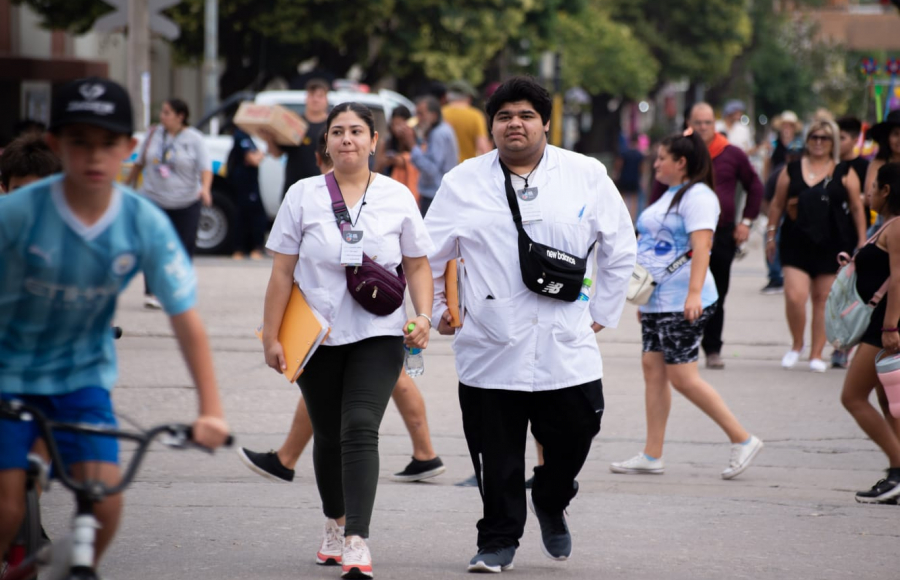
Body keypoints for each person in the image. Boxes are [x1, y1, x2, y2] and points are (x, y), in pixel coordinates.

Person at [0, 77, 230, 570]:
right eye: (79, 142)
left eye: (108, 144)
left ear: (129, 148)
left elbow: (186, 319)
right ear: (56, 145)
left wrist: (211, 410)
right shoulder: (16, 214)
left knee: (106, 506)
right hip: (8, 378)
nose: (93, 157)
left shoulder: (142, 221)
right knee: (6, 508)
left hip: (82, 382)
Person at [425, 76, 636, 573]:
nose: (513, 124)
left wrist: (601, 314)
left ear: (545, 123)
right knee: (495, 454)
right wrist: (439, 310)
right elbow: (427, 256)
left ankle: (551, 496)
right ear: (492, 127)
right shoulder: (463, 183)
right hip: (490, 344)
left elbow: (620, 247)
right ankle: (497, 540)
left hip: (568, 342)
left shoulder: (585, 174)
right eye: (503, 117)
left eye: (524, 116)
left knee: (580, 430)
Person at [262, 102, 434, 579]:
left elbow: (418, 264)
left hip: (379, 332)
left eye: (356, 131)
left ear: (374, 141)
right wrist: (271, 337)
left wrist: (422, 316)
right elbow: (281, 272)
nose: (347, 140)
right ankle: (334, 525)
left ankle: (357, 538)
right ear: (326, 143)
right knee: (328, 432)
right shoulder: (303, 196)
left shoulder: (397, 196)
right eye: (337, 132)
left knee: (359, 425)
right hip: (315, 335)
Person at [610, 131, 764, 480]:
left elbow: (702, 246)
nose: (657, 162)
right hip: (658, 301)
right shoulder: (670, 194)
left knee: (682, 377)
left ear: (682, 163)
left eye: (663, 157)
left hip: (683, 301)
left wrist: (693, 294)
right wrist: (646, 299)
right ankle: (652, 454)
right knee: (653, 369)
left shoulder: (698, 196)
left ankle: (743, 438)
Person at [651, 103, 764, 370]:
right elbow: (658, 185)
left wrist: (746, 222)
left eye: (707, 123)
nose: (703, 128)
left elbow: (755, 185)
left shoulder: (731, 153)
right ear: (688, 123)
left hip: (720, 234)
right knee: (674, 289)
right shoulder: (679, 154)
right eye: (697, 123)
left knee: (716, 293)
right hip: (678, 236)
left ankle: (712, 348)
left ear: (716, 124)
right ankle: (676, 344)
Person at [766, 119, 867, 372]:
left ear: (832, 142)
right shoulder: (791, 169)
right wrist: (770, 234)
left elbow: (856, 207)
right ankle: (797, 345)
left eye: (824, 138)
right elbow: (777, 204)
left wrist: (863, 239)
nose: (819, 142)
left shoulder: (844, 171)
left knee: (823, 299)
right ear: (807, 140)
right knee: (794, 295)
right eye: (814, 137)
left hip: (832, 242)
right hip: (795, 240)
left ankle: (816, 353)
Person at [840, 162, 900, 504]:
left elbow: (899, 278)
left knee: (852, 396)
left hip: (884, 328)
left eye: (874, 185)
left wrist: (891, 326)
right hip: (881, 324)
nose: (869, 191)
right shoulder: (888, 225)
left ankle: (897, 470)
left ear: (887, 190)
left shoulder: (897, 227)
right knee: (887, 403)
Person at [126, 98, 212, 310]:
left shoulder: (194, 139)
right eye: (162, 112)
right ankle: (152, 291)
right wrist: (127, 188)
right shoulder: (153, 134)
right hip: (154, 199)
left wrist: (206, 188)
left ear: (180, 116)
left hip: (186, 202)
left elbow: (205, 168)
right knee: (153, 246)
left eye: (167, 113)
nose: (162, 116)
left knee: (182, 249)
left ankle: (177, 290)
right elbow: (139, 163)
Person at [761, 111, 806, 295]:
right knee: (773, 233)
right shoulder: (774, 146)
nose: (787, 128)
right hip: (779, 188)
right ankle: (775, 276)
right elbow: (767, 167)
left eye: (790, 125)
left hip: (799, 201)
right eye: (785, 125)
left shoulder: (801, 147)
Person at [262, 78, 330, 198]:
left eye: (320, 96)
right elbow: (277, 153)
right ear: (306, 98)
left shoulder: (332, 126)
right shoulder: (294, 123)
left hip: (323, 189)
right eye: (311, 95)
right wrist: (269, 138)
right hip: (294, 189)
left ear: (326, 99)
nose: (315, 99)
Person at [396, 95, 458, 216]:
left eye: (421, 114)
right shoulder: (438, 130)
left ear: (433, 115)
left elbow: (431, 169)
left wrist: (412, 144)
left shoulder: (439, 133)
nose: (418, 118)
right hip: (436, 194)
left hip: (434, 195)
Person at [226, 128, 267, 260]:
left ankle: (244, 248)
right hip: (245, 183)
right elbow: (253, 159)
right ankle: (247, 249)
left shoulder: (248, 136)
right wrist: (261, 153)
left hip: (247, 182)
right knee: (252, 215)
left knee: (248, 214)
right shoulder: (241, 136)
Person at [442, 80, 491, 163]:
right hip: (467, 169)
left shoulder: (441, 113)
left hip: (445, 170)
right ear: (469, 97)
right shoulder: (475, 116)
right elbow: (482, 148)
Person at [864, 110, 900, 205]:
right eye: (896, 134)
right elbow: (869, 196)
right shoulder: (877, 163)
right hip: (885, 217)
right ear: (887, 137)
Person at [615, 134, 646, 219]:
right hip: (634, 178)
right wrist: (642, 179)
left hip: (624, 177)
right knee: (634, 200)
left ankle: (622, 216)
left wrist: (617, 174)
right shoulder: (639, 154)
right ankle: (632, 218)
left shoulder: (624, 152)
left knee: (623, 198)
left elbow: (619, 165)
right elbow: (641, 168)